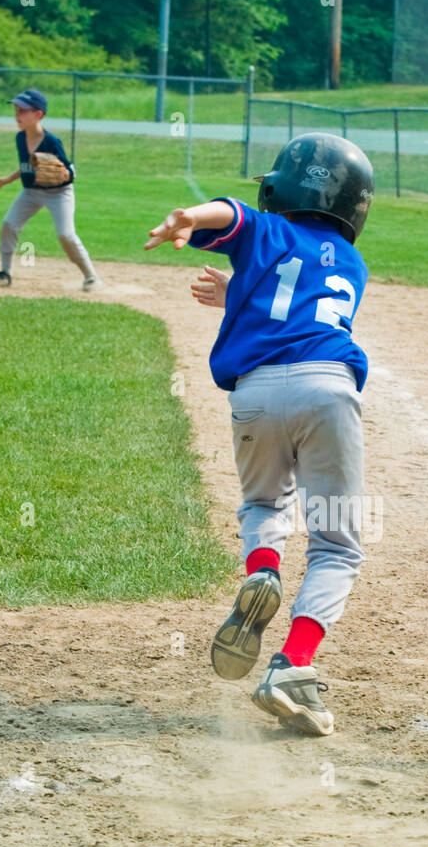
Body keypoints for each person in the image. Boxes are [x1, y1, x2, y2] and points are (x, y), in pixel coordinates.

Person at [146, 131, 375, 736]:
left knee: (263, 502)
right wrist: (238, 295)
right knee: (336, 545)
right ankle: (293, 667)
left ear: (284, 188)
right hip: (327, 391)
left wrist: (188, 217)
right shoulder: (353, 262)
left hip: (254, 393)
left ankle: (264, 567)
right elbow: (300, 308)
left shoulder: (266, 231)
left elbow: (234, 217)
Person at [0, 88, 101, 291]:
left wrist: (67, 174)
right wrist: (8, 180)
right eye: (16, 110)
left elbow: (68, 169)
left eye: (23, 111)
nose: (17, 115)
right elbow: (26, 166)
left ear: (38, 114)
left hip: (59, 193)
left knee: (65, 235)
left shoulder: (51, 142)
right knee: (8, 225)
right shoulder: (20, 138)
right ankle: (4, 273)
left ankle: (91, 277)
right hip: (31, 192)